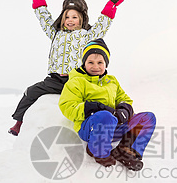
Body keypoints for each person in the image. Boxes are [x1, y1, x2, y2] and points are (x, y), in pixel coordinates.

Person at [9, 0, 126, 135]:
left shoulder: (87, 35)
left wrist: (112, 6)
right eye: (67, 17)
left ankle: (103, 124)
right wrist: (38, 0)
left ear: (81, 18)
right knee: (31, 92)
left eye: (74, 17)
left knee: (91, 100)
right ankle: (19, 122)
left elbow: (101, 26)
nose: (70, 20)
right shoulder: (56, 33)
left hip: (76, 80)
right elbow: (44, 20)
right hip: (55, 80)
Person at [59, 39, 156, 171]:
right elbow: (67, 106)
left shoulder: (112, 81)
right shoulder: (76, 82)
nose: (95, 66)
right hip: (91, 128)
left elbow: (125, 99)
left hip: (113, 126)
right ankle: (99, 152)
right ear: (84, 63)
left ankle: (126, 150)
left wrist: (124, 110)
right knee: (105, 117)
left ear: (106, 64)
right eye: (90, 62)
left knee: (148, 118)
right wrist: (92, 108)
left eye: (100, 62)